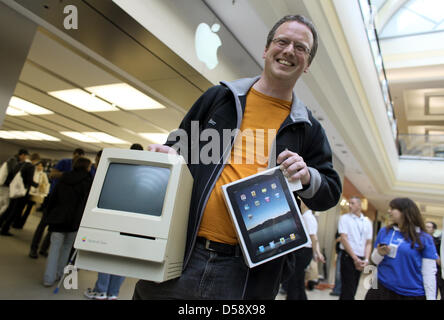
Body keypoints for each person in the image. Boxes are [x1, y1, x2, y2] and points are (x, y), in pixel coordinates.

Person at [133, 14, 341, 300]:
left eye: (301, 47)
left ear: (307, 64)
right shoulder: (219, 98)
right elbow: (179, 143)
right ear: (266, 50)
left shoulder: (308, 128)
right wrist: (170, 154)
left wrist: (307, 176)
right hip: (182, 252)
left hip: (246, 274)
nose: (289, 50)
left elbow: (330, 191)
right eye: (282, 41)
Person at [365, 198, 438, 300]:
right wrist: (380, 253)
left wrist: (431, 298)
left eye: (393, 208)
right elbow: (375, 261)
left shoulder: (424, 238)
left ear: (405, 212)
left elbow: (429, 272)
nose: (388, 211)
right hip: (381, 288)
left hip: (410, 293)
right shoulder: (385, 231)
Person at [42, 157, 92, 287]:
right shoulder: (88, 182)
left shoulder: (63, 178)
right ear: (86, 167)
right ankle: (59, 274)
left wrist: (48, 215)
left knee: (54, 249)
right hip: (74, 222)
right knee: (66, 249)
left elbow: (53, 198)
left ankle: (48, 278)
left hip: (58, 219)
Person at [84, 149, 126, 300]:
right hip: (129, 228)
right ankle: (113, 293)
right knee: (123, 260)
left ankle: (101, 290)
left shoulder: (109, 176)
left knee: (107, 257)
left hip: (112, 224)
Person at [29, 148, 85, 258]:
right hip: (53, 198)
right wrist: (68, 175)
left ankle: (43, 249)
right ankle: (33, 248)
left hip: (66, 203)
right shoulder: (65, 162)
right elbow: (52, 175)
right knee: (43, 224)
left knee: (55, 226)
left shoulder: (82, 171)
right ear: (74, 155)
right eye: (77, 156)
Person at [285, 202, 325, 300]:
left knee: (293, 279)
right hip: (305, 251)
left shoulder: (308, 217)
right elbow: (315, 238)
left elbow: (314, 238)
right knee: (299, 278)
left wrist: (316, 253)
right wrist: (317, 253)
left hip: (303, 252)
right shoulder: (308, 217)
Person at [338, 196, 373, 300]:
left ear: (359, 205)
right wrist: (355, 258)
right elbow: (344, 239)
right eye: (349, 203)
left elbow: (368, 242)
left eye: (352, 203)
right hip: (348, 256)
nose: (350, 205)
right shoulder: (344, 218)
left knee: (354, 287)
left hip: (361, 258)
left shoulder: (367, 222)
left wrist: (366, 259)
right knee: (347, 288)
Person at [0, 153, 40, 236]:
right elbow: (29, 180)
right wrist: (36, 185)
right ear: (36, 160)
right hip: (22, 192)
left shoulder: (20, 164)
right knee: (15, 211)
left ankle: (1, 223)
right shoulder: (31, 167)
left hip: (14, 189)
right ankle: (5, 229)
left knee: (9, 208)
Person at [13, 159, 50, 229]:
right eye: (38, 166)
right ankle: (16, 222)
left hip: (35, 194)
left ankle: (21, 224)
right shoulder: (33, 172)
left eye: (41, 166)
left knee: (28, 210)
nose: (39, 167)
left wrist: (44, 192)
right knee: (21, 208)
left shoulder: (43, 174)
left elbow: (46, 184)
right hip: (28, 192)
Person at [0, 149, 29, 215]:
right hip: (6, 186)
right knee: (4, 204)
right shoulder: (13, 161)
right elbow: (13, 173)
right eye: (26, 156)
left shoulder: (12, 160)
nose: (26, 158)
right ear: (22, 155)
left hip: (4, 185)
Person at [425, 221, 443, 299]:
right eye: (425, 226)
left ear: (434, 230)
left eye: (428, 227)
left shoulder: (438, 242)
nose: (426, 229)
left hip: (437, 271)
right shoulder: (419, 241)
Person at [329, 230, 342, 296]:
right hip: (340, 252)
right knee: (338, 272)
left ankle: (339, 289)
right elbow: (337, 239)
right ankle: (337, 289)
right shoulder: (340, 228)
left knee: (339, 273)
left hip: (348, 253)